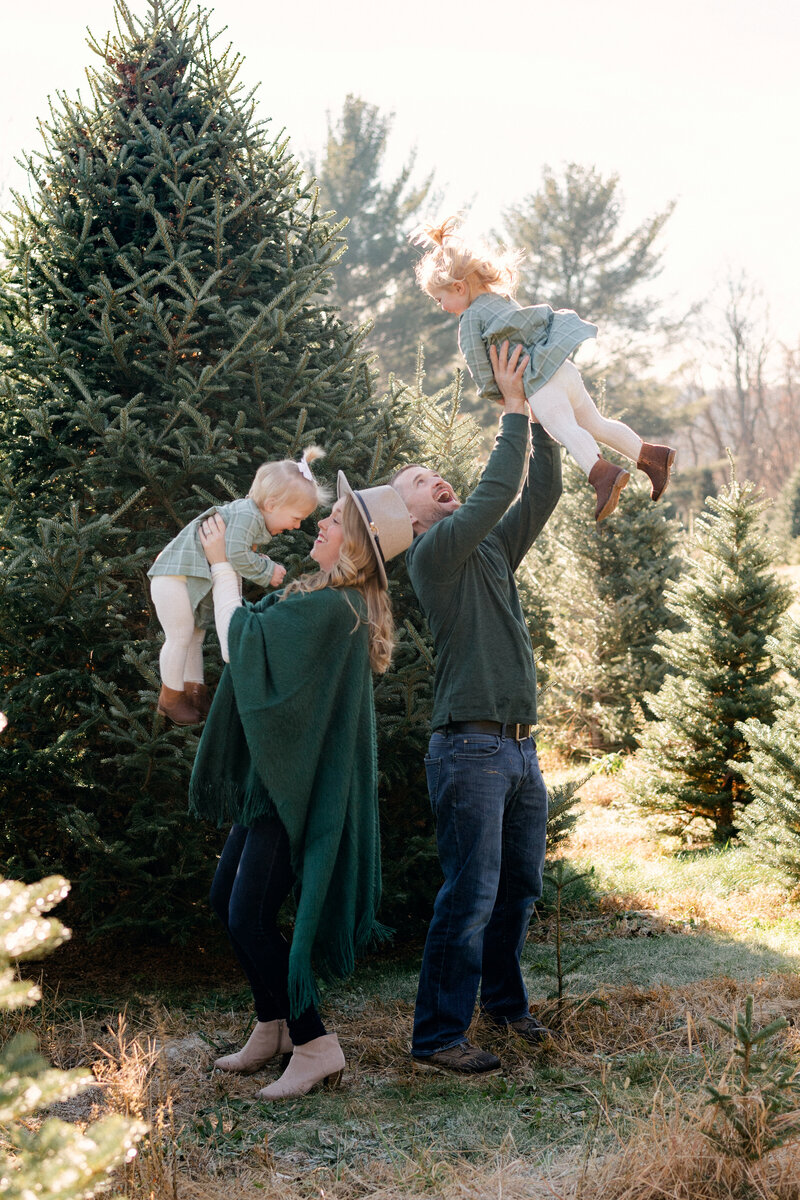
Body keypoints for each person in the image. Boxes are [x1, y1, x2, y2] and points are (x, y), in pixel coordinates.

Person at [188, 473, 413, 1100]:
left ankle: (316, 1044)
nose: (320, 524)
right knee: (225, 901)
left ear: (357, 546)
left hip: (299, 793)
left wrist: (221, 563)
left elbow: (242, 647)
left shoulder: (335, 610)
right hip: (276, 783)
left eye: (333, 519)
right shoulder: (322, 595)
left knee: (249, 915)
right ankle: (274, 1025)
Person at [392, 341, 561, 1076]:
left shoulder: (487, 549)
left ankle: (503, 1003)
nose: (439, 480)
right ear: (409, 517)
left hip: (519, 748)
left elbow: (538, 496)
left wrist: (547, 415)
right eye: (422, 482)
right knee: (471, 893)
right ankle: (436, 1038)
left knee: (519, 887)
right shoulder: (433, 556)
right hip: (469, 750)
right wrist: (512, 410)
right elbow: (496, 489)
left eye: (436, 472)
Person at [414, 217, 676, 523]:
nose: (441, 306)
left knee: (564, 429)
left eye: (439, 298)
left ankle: (603, 475)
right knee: (596, 423)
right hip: (562, 367)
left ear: (458, 287)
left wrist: (497, 394)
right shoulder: (502, 299)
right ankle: (652, 457)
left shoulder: (470, 319)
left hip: (539, 381)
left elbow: (478, 364)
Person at [148, 447, 330, 725]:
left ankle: (195, 692)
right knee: (180, 635)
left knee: (195, 635)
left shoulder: (250, 517)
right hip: (173, 576)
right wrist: (267, 570)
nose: (296, 526)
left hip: (186, 578)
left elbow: (235, 551)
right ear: (271, 505)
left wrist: (256, 558)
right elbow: (234, 555)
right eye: (296, 517)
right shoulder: (247, 515)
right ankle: (169, 700)